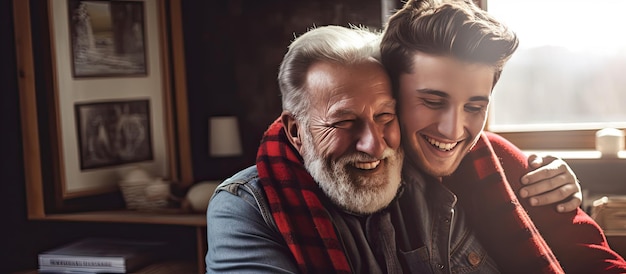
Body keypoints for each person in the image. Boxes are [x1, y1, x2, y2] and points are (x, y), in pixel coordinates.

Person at [205, 24, 604, 273]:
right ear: (295, 130)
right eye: (344, 122)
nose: (372, 144)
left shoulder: (467, 159)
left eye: (385, 116)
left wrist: (564, 187)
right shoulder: (246, 208)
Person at [379, 0, 626, 272]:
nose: (453, 130)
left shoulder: (502, 161)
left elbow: (600, 263)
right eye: (433, 102)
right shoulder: (362, 185)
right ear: (391, 93)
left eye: (474, 107)